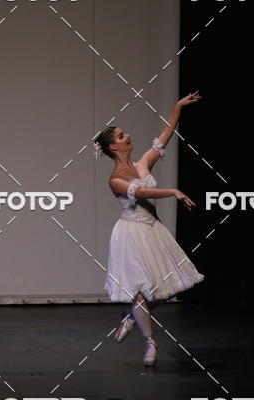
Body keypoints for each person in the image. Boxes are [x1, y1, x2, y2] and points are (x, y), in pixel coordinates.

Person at [93, 90, 205, 367]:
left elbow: (166, 134)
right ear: (113, 147)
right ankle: (150, 342)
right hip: (131, 234)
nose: (128, 136)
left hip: (153, 231)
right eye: (121, 136)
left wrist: (178, 106)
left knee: (168, 288)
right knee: (141, 293)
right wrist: (173, 191)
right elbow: (142, 194)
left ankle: (132, 316)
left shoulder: (143, 163)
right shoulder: (115, 179)